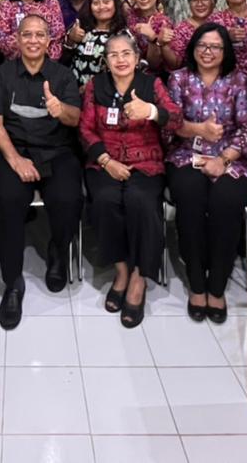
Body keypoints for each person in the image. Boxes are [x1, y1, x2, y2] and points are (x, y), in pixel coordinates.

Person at [0, 14, 83, 330]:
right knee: (8, 202)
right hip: (14, 151)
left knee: (68, 199)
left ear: (50, 41)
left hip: (57, 150)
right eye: (27, 34)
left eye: (40, 35)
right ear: (17, 39)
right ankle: (13, 283)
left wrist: (60, 110)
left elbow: (75, 119)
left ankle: (58, 252)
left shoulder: (62, 75)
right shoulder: (2, 74)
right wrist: (15, 160)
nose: (33, 40)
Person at [80, 33, 181, 328]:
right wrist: (106, 161)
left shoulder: (152, 84)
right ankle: (122, 270)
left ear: (137, 58)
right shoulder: (95, 85)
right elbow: (85, 129)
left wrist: (151, 111)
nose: (120, 59)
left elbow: (176, 118)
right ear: (105, 61)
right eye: (113, 55)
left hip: (145, 161)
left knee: (142, 202)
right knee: (105, 201)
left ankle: (139, 277)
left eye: (126, 53)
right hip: (104, 162)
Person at [165, 22, 247, 324]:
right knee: (190, 197)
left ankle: (217, 284)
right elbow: (170, 124)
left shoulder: (239, 80)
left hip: (233, 157)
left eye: (215, 46)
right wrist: (198, 130)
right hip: (186, 155)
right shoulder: (178, 79)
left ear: (226, 50)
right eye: (202, 45)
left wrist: (224, 158)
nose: (208, 52)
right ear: (193, 48)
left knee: (226, 202)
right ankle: (196, 282)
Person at [66, 0, 130, 86]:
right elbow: (64, 61)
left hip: (105, 92)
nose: (101, 7)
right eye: (96, 3)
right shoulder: (80, 29)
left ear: (115, 4)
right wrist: (71, 39)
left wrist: (91, 89)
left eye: (106, 2)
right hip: (74, 91)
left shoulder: (123, 35)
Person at [163, 0, 218, 69]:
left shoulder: (221, 23)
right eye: (195, 0)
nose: (200, 4)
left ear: (214, 1)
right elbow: (175, 64)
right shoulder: (182, 29)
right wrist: (164, 45)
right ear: (189, 3)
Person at [127, 0, 175, 73]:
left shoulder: (164, 23)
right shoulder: (128, 15)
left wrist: (152, 37)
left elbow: (154, 65)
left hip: (149, 76)